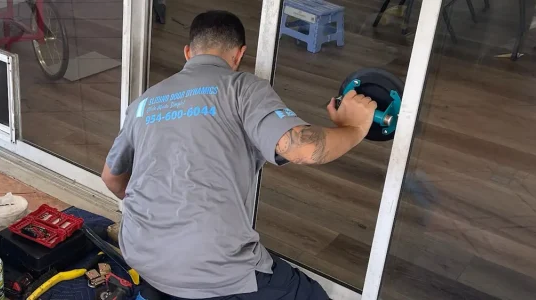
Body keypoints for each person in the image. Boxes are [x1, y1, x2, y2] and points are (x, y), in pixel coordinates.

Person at [101, 10, 377, 300]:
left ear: (187, 53)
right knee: (310, 295)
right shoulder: (242, 88)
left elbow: (111, 179)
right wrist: (355, 127)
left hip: (139, 252)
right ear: (239, 55)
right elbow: (303, 149)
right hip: (211, 267)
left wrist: (160, 216)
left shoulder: (144, 102)